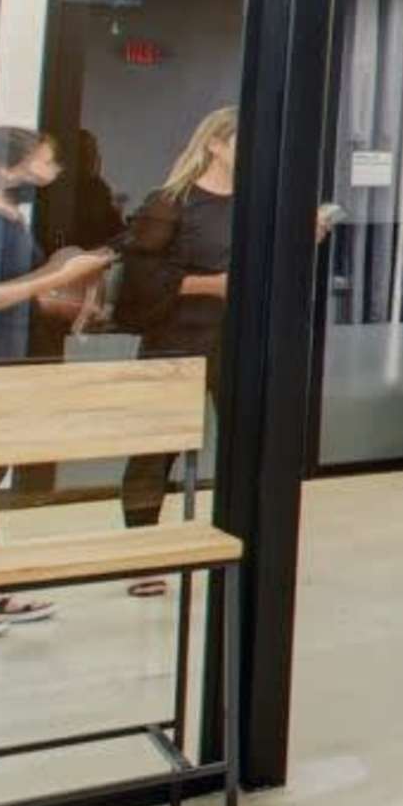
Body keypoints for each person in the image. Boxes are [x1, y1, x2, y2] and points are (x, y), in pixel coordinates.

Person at [0, 124, 115, 642]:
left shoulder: (8, 221)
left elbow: (14, 292)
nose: (52, 173)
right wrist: (58, 278)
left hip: (1, 365)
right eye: (42, 162)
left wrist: (72, 298)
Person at [111, 105, 240, 554]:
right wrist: (212, 285)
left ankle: (240, 538)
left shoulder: (256, 205)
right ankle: (141, 548)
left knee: (245, 442)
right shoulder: (170, 202)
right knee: (156, 445)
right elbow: (141, 279)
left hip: (236, 339)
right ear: (216, 144)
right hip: (177, 337)